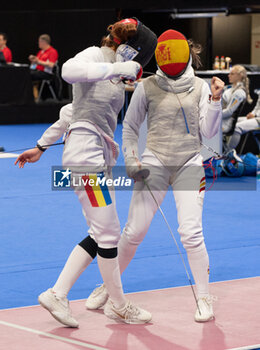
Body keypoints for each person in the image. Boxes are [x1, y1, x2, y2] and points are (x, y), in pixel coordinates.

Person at [15, 17, 157, 327]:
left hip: (96, 160)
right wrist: (115, 69)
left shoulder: (116, 75)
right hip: (86, 159)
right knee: (108, 231)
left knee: (102, 232)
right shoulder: (96, 56)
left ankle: (58, 293)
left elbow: (70, 113)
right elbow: (67, 71)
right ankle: (118, 305)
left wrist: (40, 146)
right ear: (132, 52)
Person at [85, 29, 225, 323]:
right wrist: (132, 160)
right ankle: (109, 288)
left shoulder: (200, 88)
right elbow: (131, 128)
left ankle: (203, 297)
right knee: (133, 232)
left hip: (189, 163)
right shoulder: (146, 86)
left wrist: (214, 101)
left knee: (191, 233)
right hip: (155, 162)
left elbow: (210, 133)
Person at [222, 64, 252, 133]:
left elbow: (229, 111)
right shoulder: (230, 89)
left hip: (226, 124)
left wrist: (214, 115)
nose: (229, 75)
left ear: (240, 76)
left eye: (232, 74)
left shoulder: (239, 92)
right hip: (223, 120)